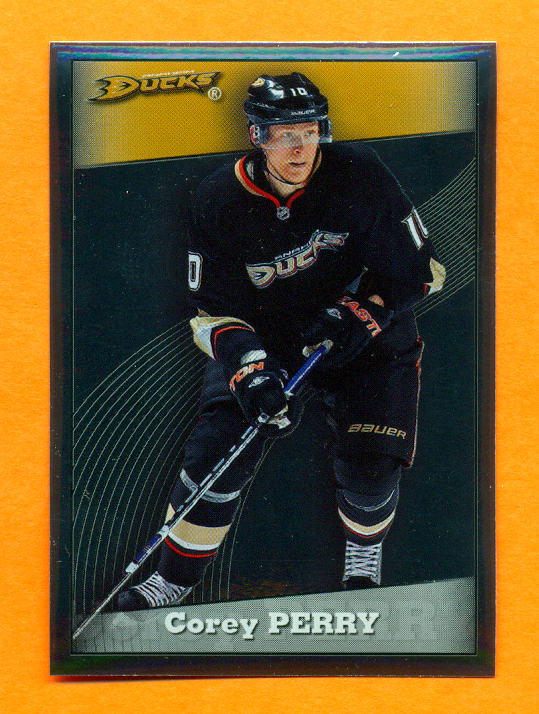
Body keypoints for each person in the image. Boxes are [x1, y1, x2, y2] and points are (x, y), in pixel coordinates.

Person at [116, 72, 446, 611]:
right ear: (257, 137)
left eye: (310, 131)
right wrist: (251, 370)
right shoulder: (218, 198)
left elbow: (421, 270)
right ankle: (170, 582)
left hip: (363, 329)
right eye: (285, 134)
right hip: (268, 334)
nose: (300, 147)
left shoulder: (360, 172)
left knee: (370, 468)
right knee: (216, 455)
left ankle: (363, 558)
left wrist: (359, 312)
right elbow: (213, 313)